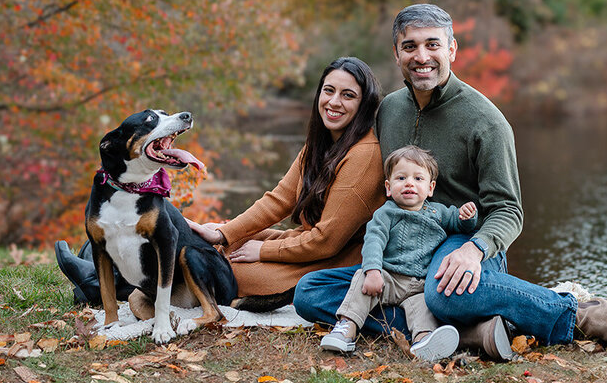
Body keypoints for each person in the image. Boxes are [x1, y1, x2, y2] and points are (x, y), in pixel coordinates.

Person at [294, 4, 607, 358]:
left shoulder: (486, 121)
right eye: (409, 46)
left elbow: (508, 211)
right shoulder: (389, 111)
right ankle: (470, 332)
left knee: (442, 292)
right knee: (310, 292)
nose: (421, 56)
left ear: (452, 50)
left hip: (463, 237)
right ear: (396, 54)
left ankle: (580, 316)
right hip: (405, 250)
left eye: (433, 44)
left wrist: (474, 250)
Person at [55, 56, 388, 306]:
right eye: (329, 91)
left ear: (363, 104)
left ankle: (101, 286)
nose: (334, 102)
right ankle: (101, 266)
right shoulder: (321, 144)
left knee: (230, 271)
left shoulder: (363, 155)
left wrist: (265, 251)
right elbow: (278, 201)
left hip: (334, 259)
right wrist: (224, 232)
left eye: (348, 95)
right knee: (216, 245)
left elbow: (326, 242)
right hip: (305, 241)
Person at [320, 146, 476, 362]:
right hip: (388, 278)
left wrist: (467, 217)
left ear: (430, 188)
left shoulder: (438, 212)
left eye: (418, 178)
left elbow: (459, 224)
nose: (409, 183)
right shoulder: (386, 213)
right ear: (388, 187)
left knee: (424, 310)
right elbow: (373, 241)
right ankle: (347, 328)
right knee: (360, 282)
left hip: (419, 285)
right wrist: (373, 270)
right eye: (401, 178)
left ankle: (424, 341)